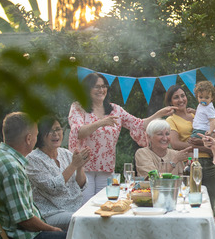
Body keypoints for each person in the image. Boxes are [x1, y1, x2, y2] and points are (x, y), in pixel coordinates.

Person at [68, 72, 176, 204]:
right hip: (84, 167)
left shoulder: (115, 110)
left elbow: (139, 124)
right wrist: (100, 123)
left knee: (106, 204)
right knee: (86, 205)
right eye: (96, 87)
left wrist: (160, 113)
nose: (101, 90)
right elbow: (78, 132)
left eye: (104, 86)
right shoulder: (78, 107)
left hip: (106, 168)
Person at [25, 116, 90, 231]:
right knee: (86, 220)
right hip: (50, 213)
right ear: (40, 135)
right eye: (50, 131)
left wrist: (79, 167)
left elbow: (80, 186)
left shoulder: (65, 153)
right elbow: (52, 188)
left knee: (102, 215)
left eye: (58, 129)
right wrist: (73, 165)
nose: (56, 134)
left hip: (75, 208)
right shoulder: (32, 159)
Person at [164, 83, 215, 210]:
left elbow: (214, 132)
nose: (181, 100)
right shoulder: (171, 120)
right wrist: (203, 148)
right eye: (176, 97)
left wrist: (206, 147)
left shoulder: (198, 112)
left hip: (211, 162)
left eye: (183, 96)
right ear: (170, 102)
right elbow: (175, 144)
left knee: (210, 204)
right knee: (193, 202)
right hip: (191, 164)